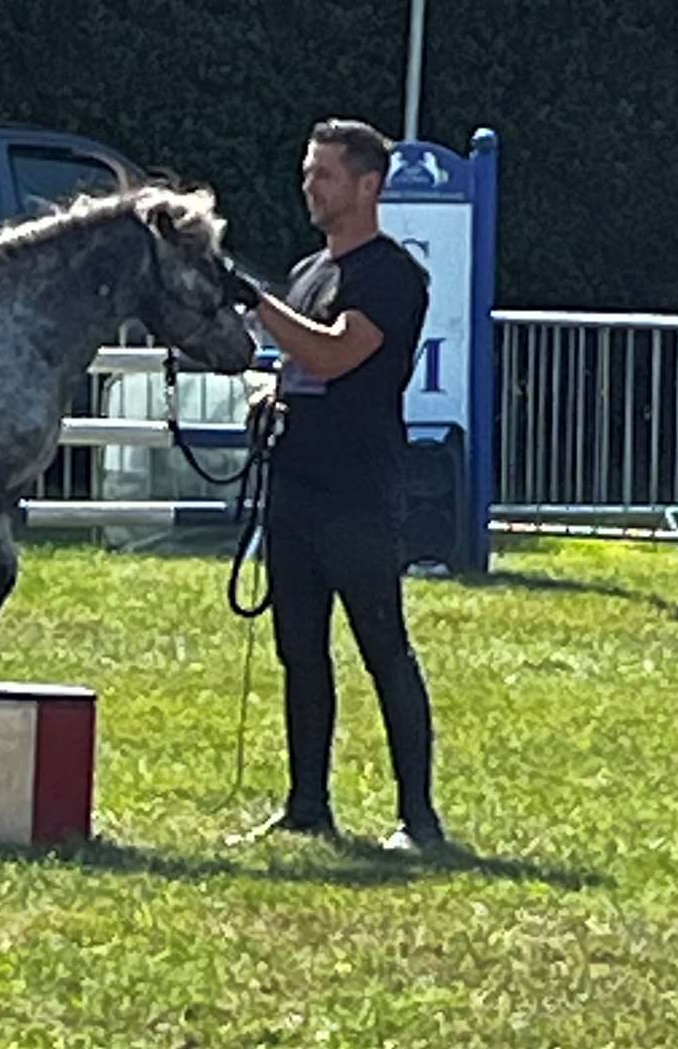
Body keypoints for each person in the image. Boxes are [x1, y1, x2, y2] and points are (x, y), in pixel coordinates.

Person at [222, 118, 444, 851]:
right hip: (297, 485)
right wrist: (269, 393)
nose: (310, 186)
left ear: (367, 186)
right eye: (309, 172)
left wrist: (257, 304)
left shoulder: (390, 275)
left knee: (383, 646)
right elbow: (299, 363)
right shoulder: (310, 270)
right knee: (300, 649)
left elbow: (338, 352)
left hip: (358, 489)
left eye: (325, 174)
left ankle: (417, 818)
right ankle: (307, 802)